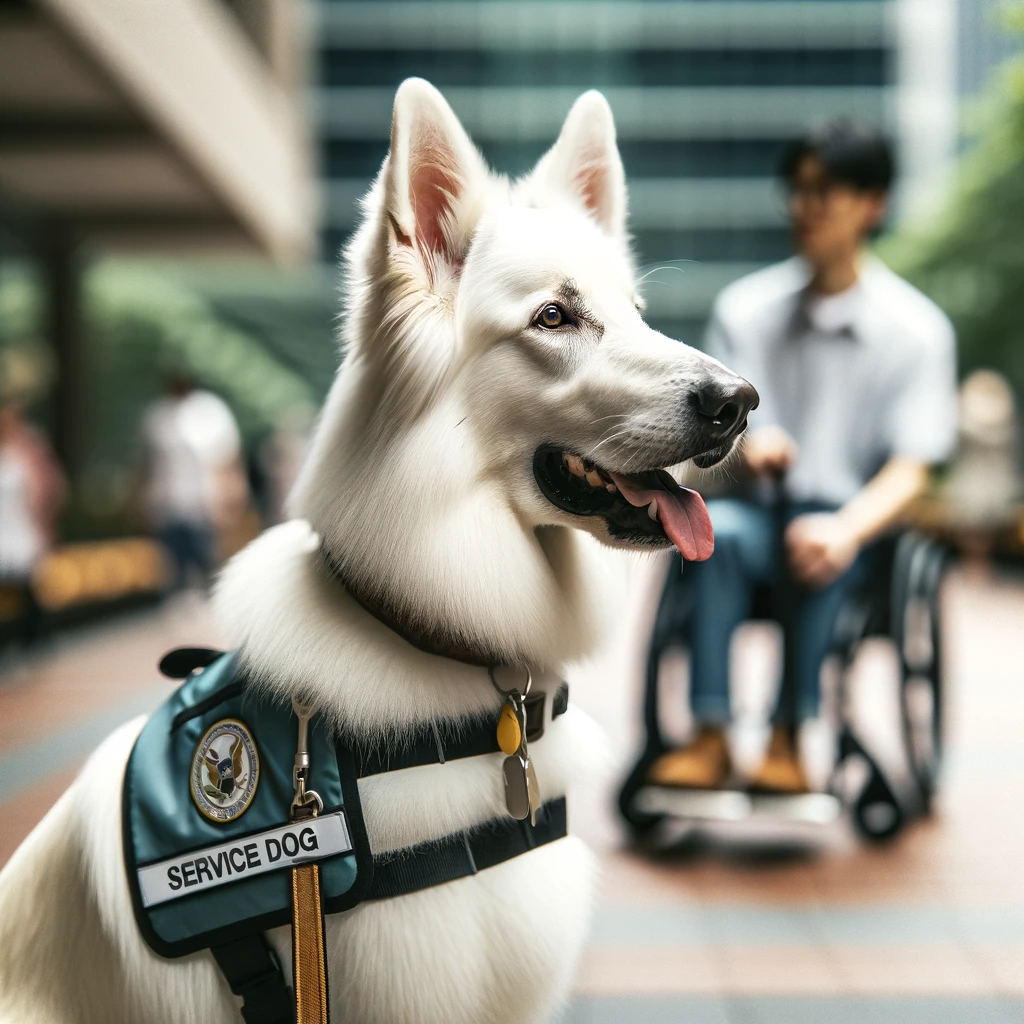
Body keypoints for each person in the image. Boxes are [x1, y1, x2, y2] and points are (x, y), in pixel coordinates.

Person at [648, 121, 958, 794]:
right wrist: (747, 447)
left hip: (855, 527)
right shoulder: (747, 309)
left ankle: (792, 736)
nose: (805, 207)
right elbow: (719, 440)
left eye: (828, 192)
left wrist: (846, 529)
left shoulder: (917, 330)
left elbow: (911, 468)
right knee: (716, 536)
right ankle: (710, 733)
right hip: (757, 517)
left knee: (816, 545)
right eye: (799, 190)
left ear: (872, 205)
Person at [141, 377, 245, 592]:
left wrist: (230, 499)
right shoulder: (157, 415)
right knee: (172, 567)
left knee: (206, 561)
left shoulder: (210, 411)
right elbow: (147, 463)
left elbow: (227, 460)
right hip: (168, 504)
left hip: (203, 504)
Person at [0, 397, 65, 645]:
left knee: (29, 586)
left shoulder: (29, 451)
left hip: (22, 528)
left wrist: (45, 524)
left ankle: (36, 639)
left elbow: (50, 489)